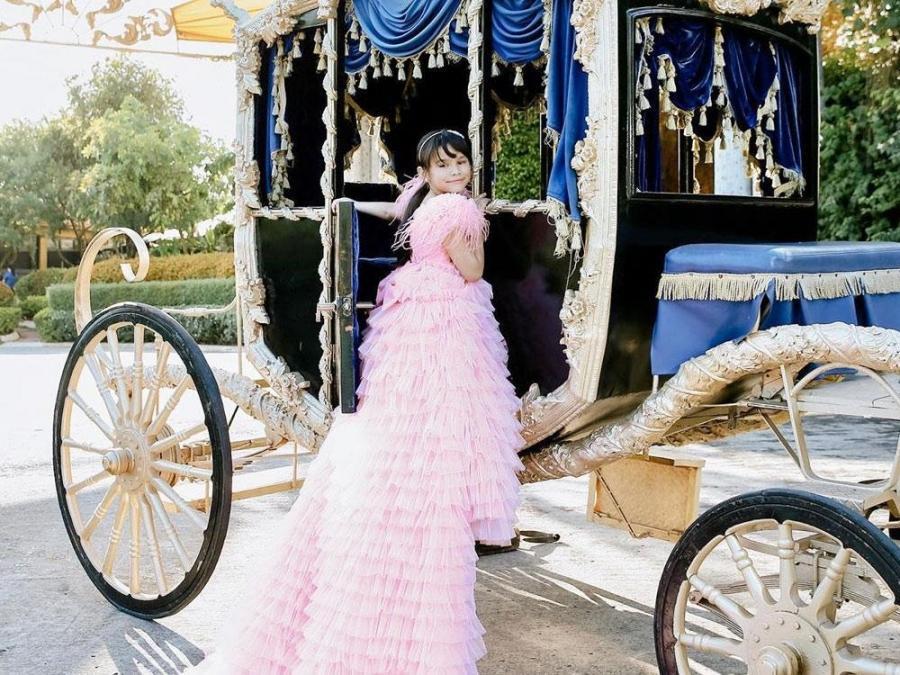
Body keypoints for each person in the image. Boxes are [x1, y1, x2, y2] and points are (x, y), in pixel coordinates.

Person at [191, 129, 524, 674]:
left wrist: (345, 205)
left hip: (410, 304)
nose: (456, 172)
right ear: (428, 171)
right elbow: (473, 271)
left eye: (460, 162)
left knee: (403, 391)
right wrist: (472, 225)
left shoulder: (421, 198)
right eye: (445, 166)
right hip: (445, 308)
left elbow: (393, 210)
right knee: (453, 391)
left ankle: (405, 451)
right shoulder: (457, 210)